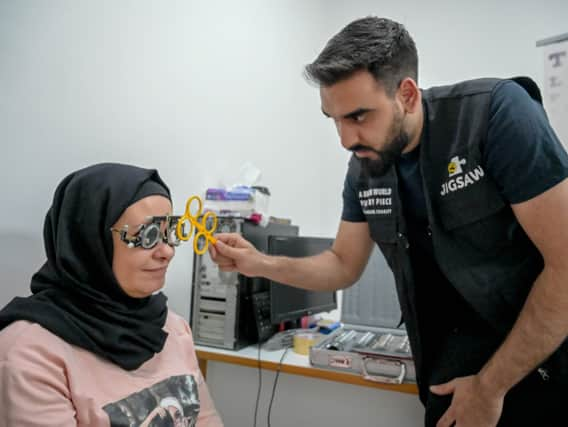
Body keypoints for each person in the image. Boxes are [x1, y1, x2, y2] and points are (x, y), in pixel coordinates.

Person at [209, 16, 568, 427]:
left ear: (408, 95)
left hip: (540, 363)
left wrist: (490, 387)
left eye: (359, 116)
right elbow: (343, 263)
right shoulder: (363, 166)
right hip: (449, 376)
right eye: (334, 119)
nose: (345, 138)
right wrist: (260, 264)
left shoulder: (496, 115)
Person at [0, 163, 223, 427]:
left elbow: (207, 421)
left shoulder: (172, 328)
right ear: (89, 242)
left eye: (170, 232)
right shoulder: (30, 355)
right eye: (147, 235)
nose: (168, 251)